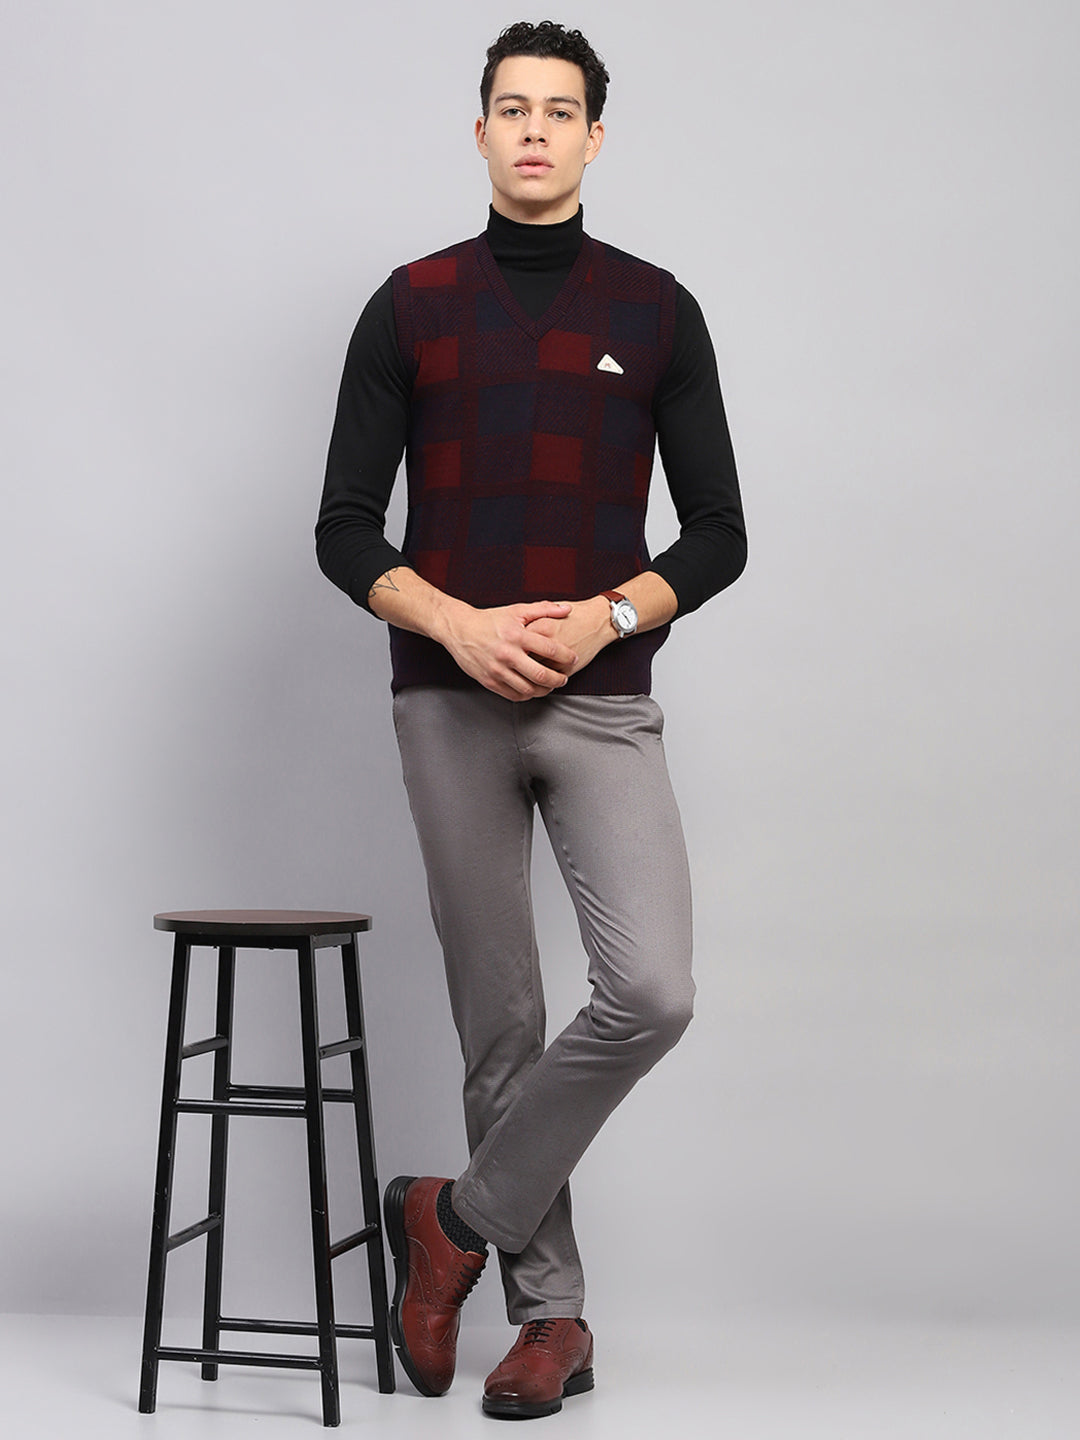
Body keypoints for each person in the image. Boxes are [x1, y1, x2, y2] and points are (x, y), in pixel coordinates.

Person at [316, 19, 746, 1420]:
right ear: (482, 131)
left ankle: (450, 1219)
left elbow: (720, 532)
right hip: (449, 704)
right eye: (514, 108)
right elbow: (343, 528)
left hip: (602, 703)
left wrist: (612, 615)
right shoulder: (411, 306)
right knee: (498, 1018)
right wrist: (456, 624)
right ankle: (549, 1319)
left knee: (651, 992)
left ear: (596, 138)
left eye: (562, 111)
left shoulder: (658, 310)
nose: (538, 131)